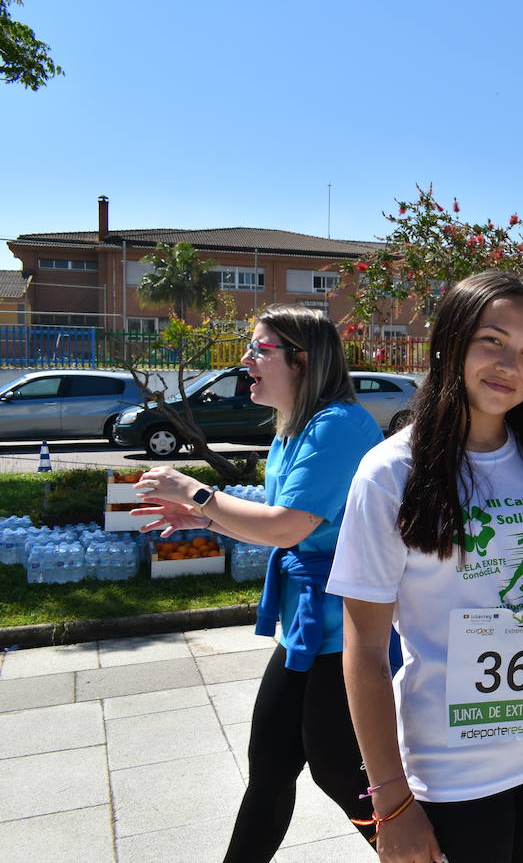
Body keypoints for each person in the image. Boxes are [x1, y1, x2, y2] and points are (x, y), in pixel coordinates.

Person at [325, 272, 523, 863]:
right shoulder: (390, 473)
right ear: (450, 341)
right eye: (493, 341)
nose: (511, 365)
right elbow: (365, 650)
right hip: (455, 772)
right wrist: (391, 800)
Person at [130, 305, 384, 862]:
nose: (245, 361)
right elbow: (280, 525)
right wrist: (204, 518)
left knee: (340, 772)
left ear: (302, 360)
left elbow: (286, 527)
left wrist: (196, 492)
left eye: (259, 349)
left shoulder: (338, 425)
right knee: (270, 767)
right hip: (309, 628)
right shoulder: (295, 429)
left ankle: (422, 851)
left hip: (349, 631)